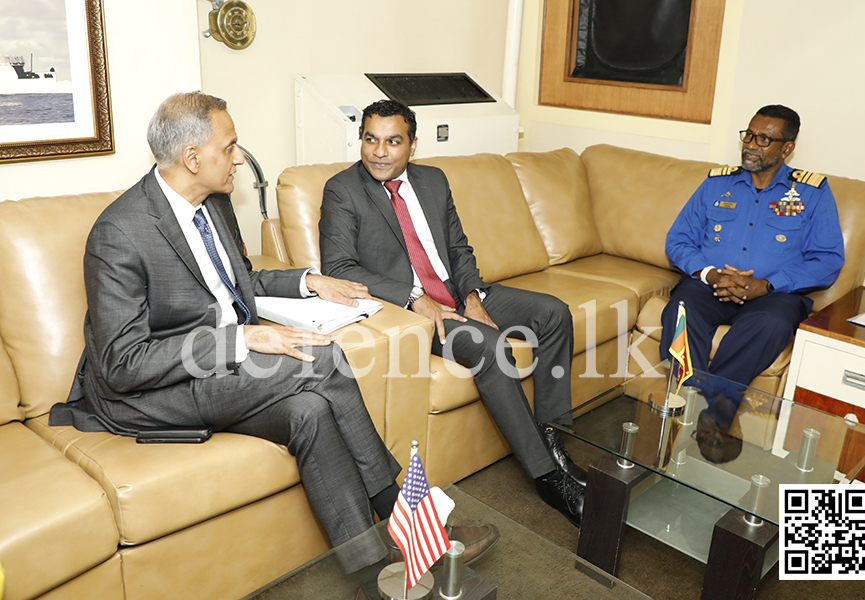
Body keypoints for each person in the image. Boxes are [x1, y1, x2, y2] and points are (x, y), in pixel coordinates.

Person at [48, 92, 496, 574]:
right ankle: (418, 529)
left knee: (310, 409)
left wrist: (309, 280)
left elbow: (238, 282)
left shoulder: (213, 204)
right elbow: (123, 364)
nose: (240, 157)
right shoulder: (121, 232)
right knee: (325, 360)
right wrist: (245, 339)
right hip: (150, 391)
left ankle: (371, 573)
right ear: (193, 157)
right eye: (231, 146)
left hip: (220, 365)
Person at [319, 99, 585, 526]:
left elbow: (459, 248)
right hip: (419, 313)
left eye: (392, 141)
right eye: (370, 139)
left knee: (554, 314)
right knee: (494, 347)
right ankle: (548, 476)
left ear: (412, 145)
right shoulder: (343, 190)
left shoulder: (433, 180)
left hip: (461, 294)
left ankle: (552, 436)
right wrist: (413, 297)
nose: (379, 152)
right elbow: (339, 268)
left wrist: (475, 296)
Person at [661, 104, 844, 385]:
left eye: (764, 139)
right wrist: (710, 274)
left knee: (772, 324)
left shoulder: (811, 192)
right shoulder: (716, 183)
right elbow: (679, 239)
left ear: (787, 148)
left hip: (774, 297)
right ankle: (685, 401)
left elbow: (828, 260)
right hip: (711, 287)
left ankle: (710, 416)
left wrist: (768, 284)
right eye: (749, 135)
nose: (750, 145)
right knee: (680, 310)